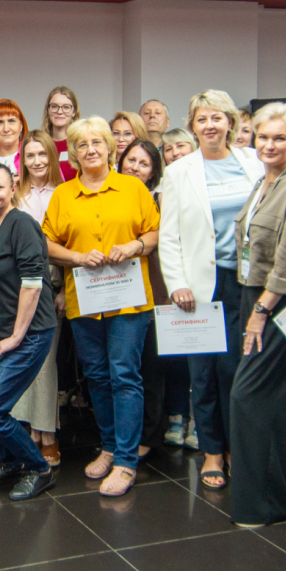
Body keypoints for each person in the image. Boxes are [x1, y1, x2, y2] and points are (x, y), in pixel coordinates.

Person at [43, 116, 160, 498]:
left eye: (97, 142)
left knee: (124, 373)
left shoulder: (133, 188)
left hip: (129, 301)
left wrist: (135, 246)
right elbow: (47, 243)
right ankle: (109, 447)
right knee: (96, 375)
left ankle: (126, 461)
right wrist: (77, 257)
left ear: (110, 148)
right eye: (82, 144)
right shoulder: (63, 195)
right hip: (85, 301)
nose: (90, 149)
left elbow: (155, 232)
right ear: (73, 153)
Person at [157, 90, 261, 491]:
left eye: (217, 117)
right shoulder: (180, 171)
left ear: (231, 122)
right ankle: (212, 451)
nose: (210, 125)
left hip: (246, 282)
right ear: (193, 126)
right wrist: (177, 283)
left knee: (237, 369)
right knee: (202, 372)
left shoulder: (253, 162)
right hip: (200, 284)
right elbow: (169, 236)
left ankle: (237, 446)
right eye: (202, 119)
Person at [226, 104, 286, 528]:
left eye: (280, 138)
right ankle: (273, 500)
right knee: (267, 403)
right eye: (263, 137)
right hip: (253, 295)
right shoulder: (264, 182)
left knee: (250, 398)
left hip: (277, 304)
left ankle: (265, 503)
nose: (269, 144)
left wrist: (261, 312)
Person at [0, 159, 60, 500]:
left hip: (29, 334)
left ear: (12, 189)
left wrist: (16, 337)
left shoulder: (23, 225)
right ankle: (13, 459)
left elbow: (33, 284)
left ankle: (40, 469)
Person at [13, 131, 65, 462]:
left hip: (52, 286)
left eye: (42, 154)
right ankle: (28, 429)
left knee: (45, 361)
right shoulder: (14, 194)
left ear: (52, 156)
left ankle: (47, 432)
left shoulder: (65, 193)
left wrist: (64, 290)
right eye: (30, 155)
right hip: (16, 288)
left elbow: (71, 244)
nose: (37, 161)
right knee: (21, 358)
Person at [119, 139, 169, 454]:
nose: (135, 168)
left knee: (149, 366)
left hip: (152, 290)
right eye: (131, 160)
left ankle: (148, 436)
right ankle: (122, 435)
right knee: (123, 368)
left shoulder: (159, 200)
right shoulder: (108, 194)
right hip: (114, 291)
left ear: (152, 173)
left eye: (144, 163)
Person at [43, 86, 81, 179]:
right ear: (48, 110)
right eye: (54, 106)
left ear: (74, 111)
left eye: (66, 107)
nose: (59, 111)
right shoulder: (41, 144)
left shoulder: (80, 144)